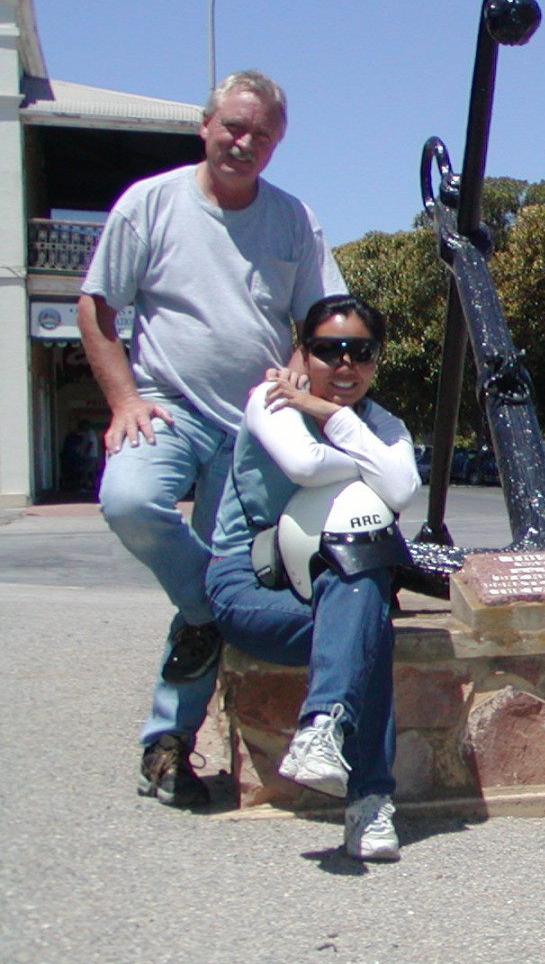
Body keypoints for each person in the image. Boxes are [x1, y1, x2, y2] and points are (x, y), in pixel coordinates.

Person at [78, 70, 346, 808]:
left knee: (235, 565)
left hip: (255, 425)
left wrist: (297, 373)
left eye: (262, 134)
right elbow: (96, 308)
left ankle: (166, 745)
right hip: (165, 408)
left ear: (277, 144)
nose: (244, 142)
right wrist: (123, 398)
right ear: (205, 125)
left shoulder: (293, 219)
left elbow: (324, 318)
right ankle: (207, 609)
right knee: (130, 502)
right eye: (233, 126)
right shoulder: (150, 204)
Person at [206, 295, 419, 861]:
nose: (345, 365)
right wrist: (372, 459)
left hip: (337, 586)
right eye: (328, 350)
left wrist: (332, 416)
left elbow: (401, 490)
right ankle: (369, 800)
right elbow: (305, 465)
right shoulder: (271, 399)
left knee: (364, 592)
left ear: (376, 359)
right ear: (303, 352)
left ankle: (324, 728)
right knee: (367, 629)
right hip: (253, 585)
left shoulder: (384, 423)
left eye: (360, 352)